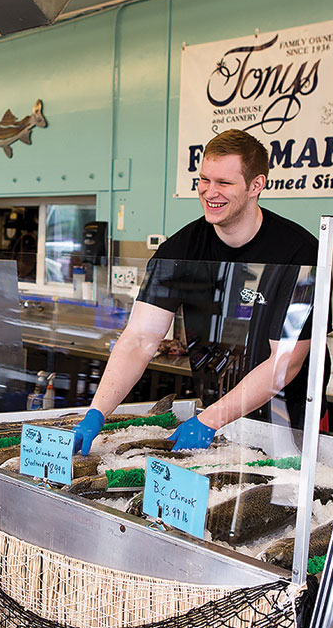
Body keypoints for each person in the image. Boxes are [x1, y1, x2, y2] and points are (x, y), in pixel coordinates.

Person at [74, 129, 320, 455]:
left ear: (256, 186)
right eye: (204, 179)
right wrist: (97, 412)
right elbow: (139, 338)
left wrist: (211, 420)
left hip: (287, 421)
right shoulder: (180, 250)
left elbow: (285, 364)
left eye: (224, 183)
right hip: (215, 415)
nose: (209, 192)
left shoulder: (298, 252)